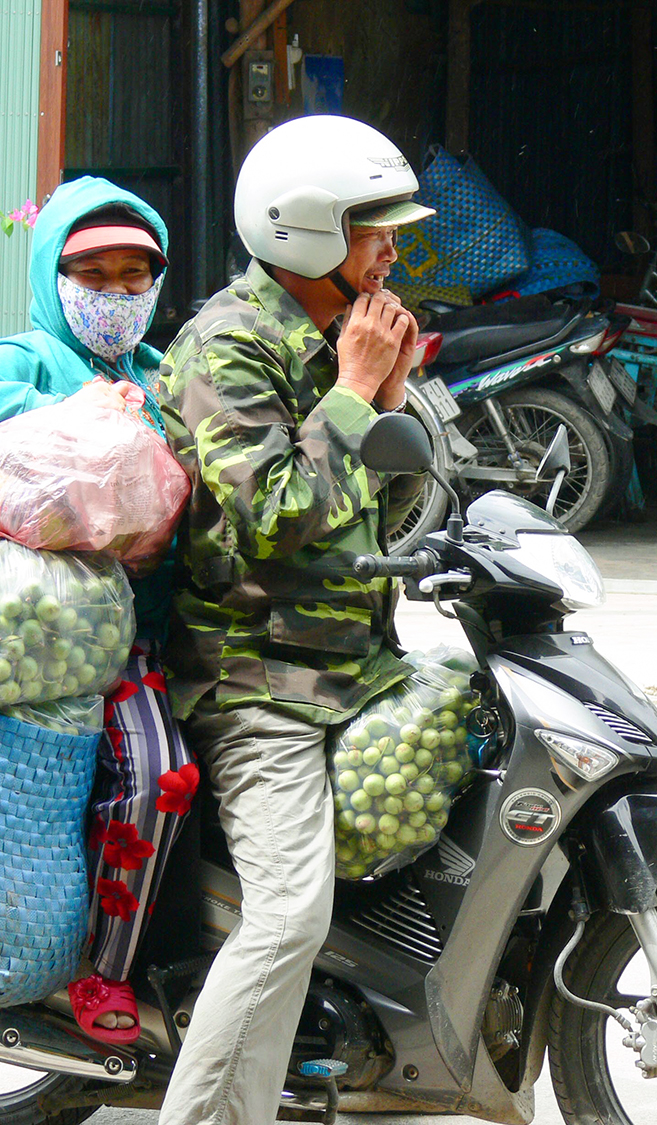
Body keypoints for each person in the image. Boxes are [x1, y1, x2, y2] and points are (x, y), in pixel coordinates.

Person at [153, 115, 434, 1125]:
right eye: (376, 232)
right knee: (288, 915)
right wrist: (358, 393)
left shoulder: (335, 338)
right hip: (256, 681)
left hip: (350, 663)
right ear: (307, 234)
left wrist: (388, 402)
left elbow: (382, 523)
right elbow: (274, 519)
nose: (393, 252)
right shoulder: (225, 349)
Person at [0, 177, 194, 1045]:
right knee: (158, 775)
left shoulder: (163, 372)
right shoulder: (27, 358)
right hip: (61, 643)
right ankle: (102, 970)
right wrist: (59, 411)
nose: (113, 295)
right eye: (92, 274)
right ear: (53, 277)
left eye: (132, 277)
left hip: (155, 627)